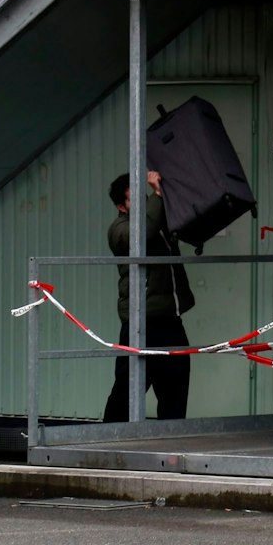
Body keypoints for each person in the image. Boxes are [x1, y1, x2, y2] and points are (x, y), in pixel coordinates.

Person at [103, 170, 194, 423]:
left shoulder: (154, 219)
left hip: (169, 316)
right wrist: (156, 195)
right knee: (128, 387)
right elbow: (143, 234)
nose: (144, 204)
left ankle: (170, 440)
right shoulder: (119, 229)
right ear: (122, 206)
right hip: (140, 320)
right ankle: (107, 438)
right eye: (135, 200)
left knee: (175, 382)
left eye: (145, 198)